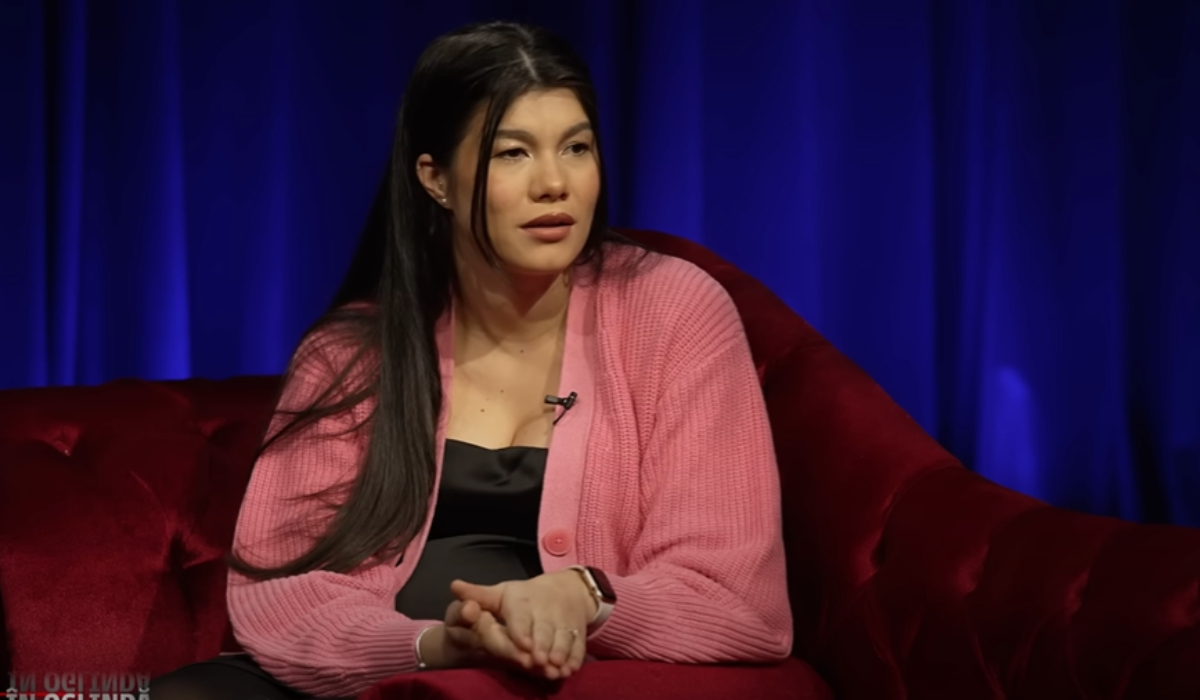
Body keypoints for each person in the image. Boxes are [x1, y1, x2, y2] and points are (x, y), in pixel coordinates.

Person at [151, 20, 791, 700]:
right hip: (378, 675)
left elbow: (735, 598)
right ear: (436, 179)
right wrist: (435, 647)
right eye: (513, 153)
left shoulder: (674, 312)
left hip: (564, 680)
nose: (555, 183)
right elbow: (285, 592)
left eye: (576, 147)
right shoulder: (351, 355)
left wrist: (583, 596)